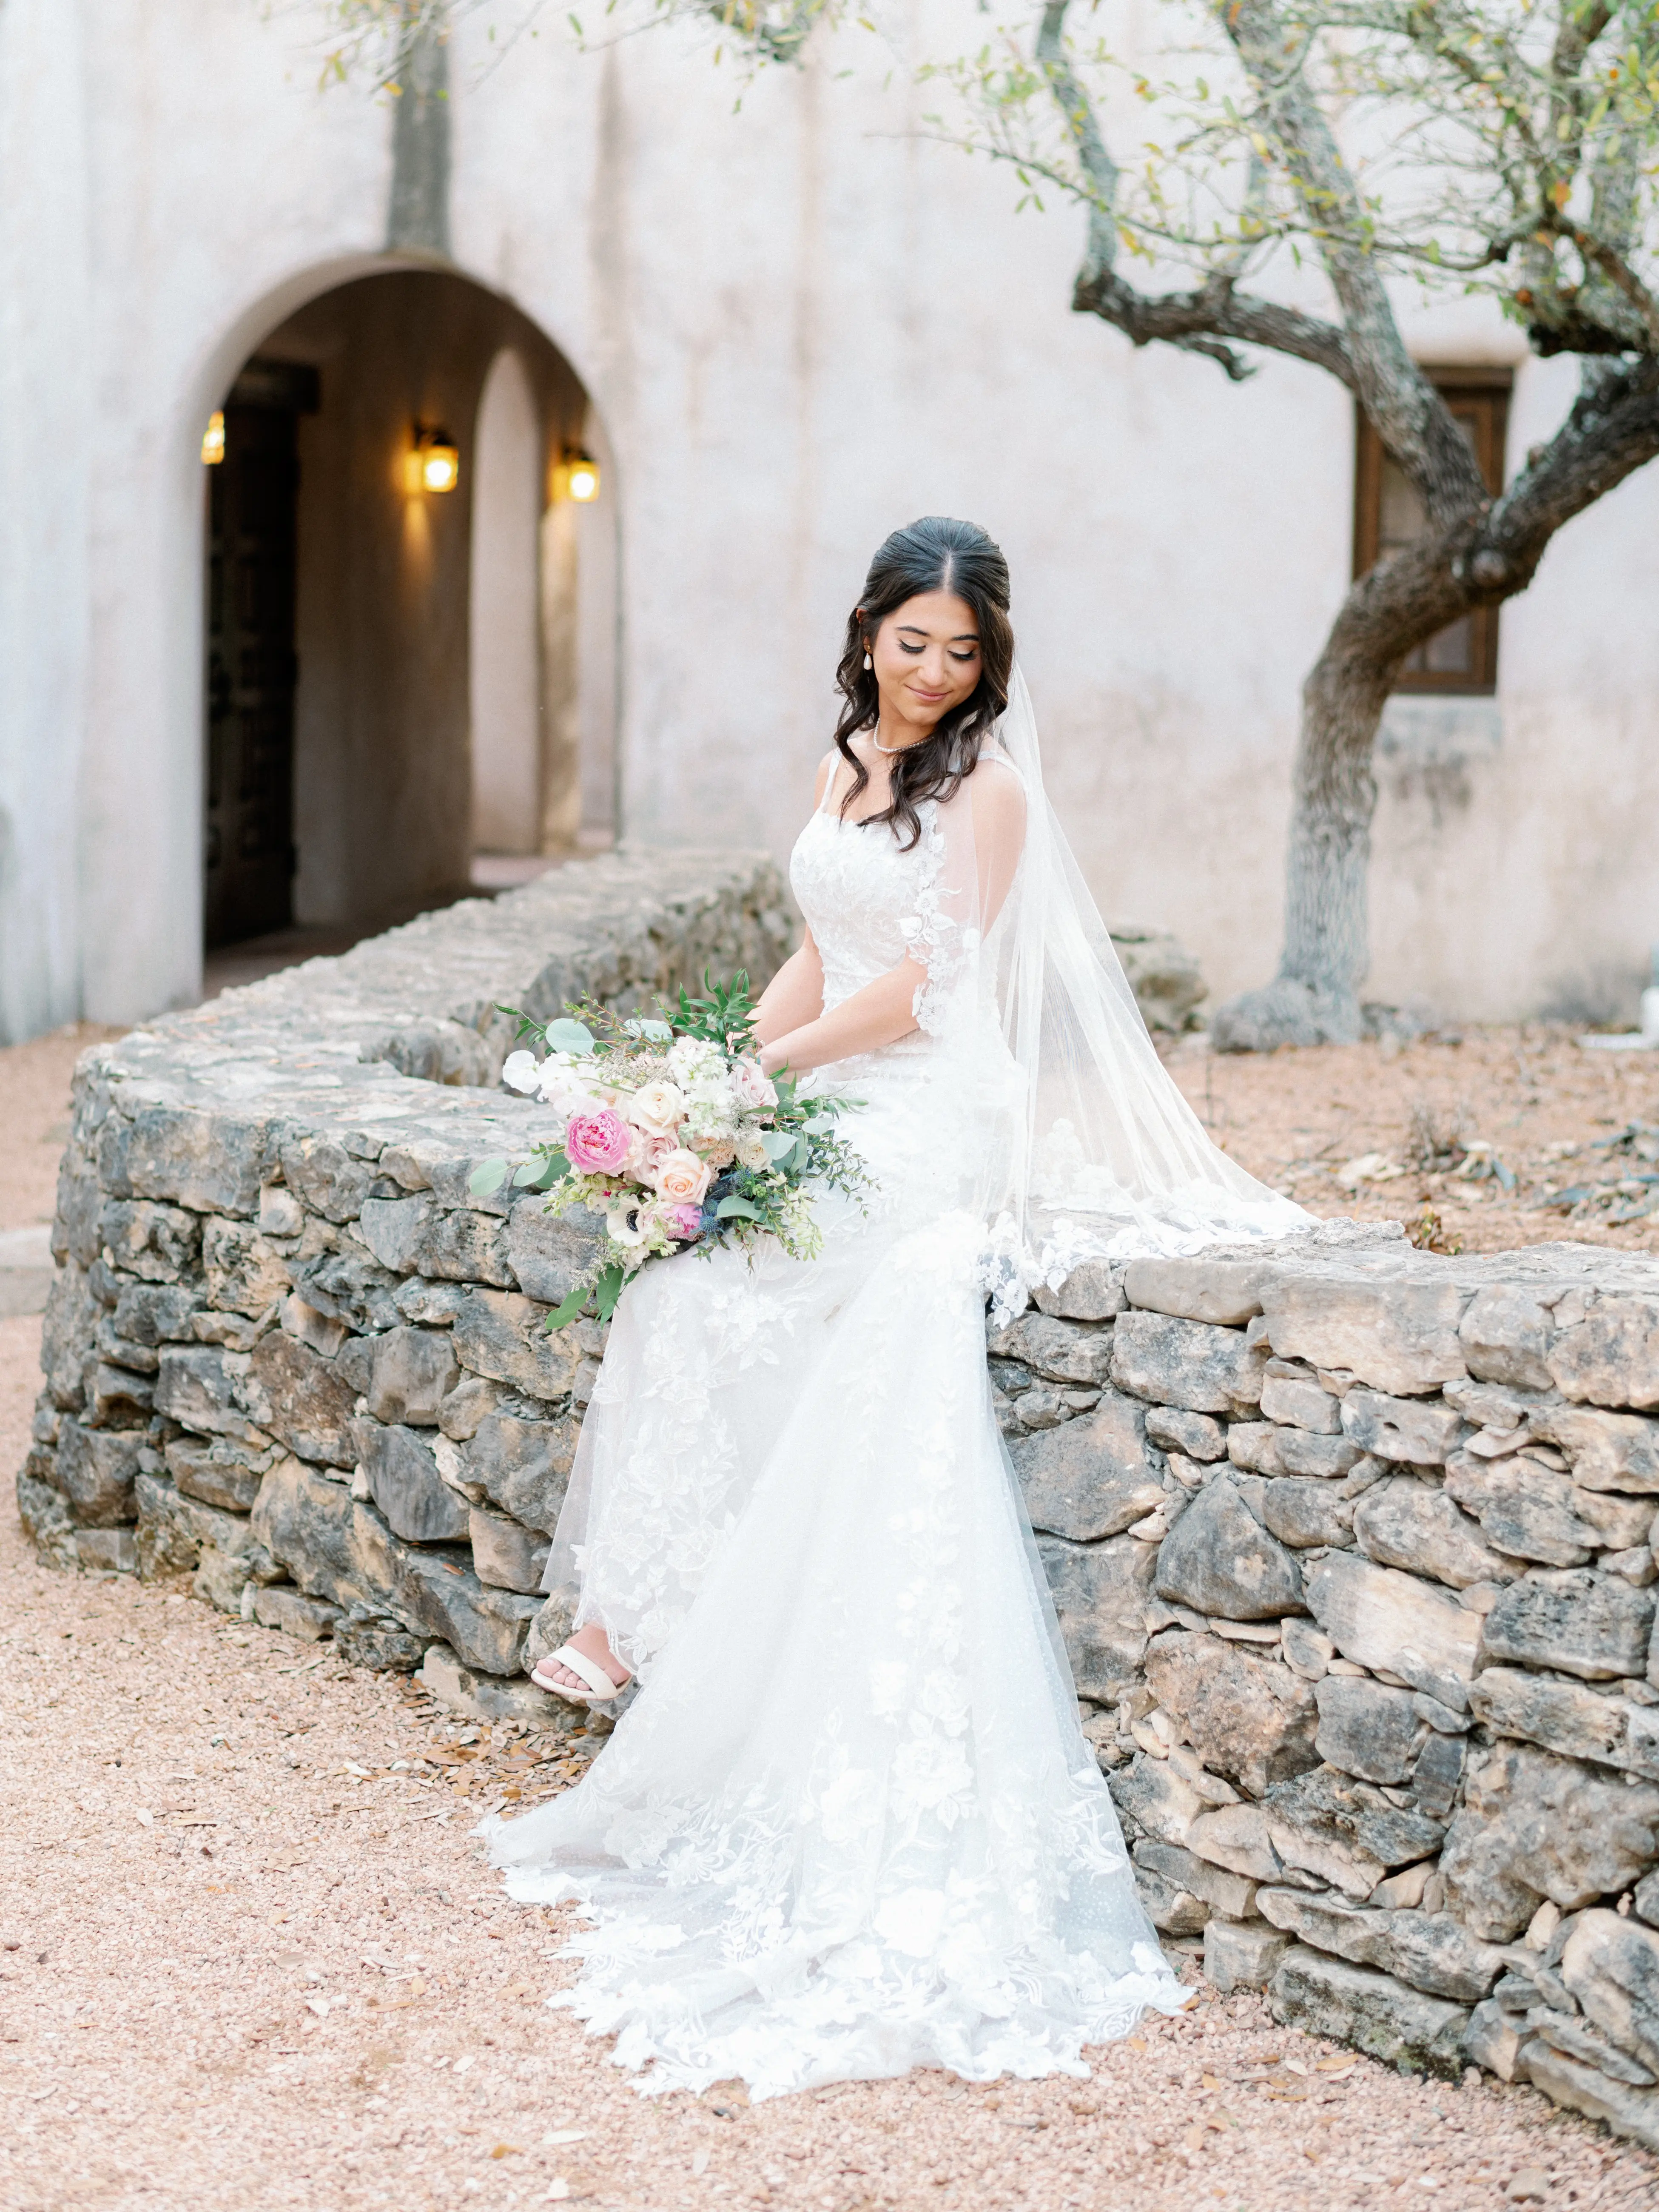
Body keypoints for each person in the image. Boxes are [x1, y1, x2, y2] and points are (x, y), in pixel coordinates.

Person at [482, 517, 1308, 2098]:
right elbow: (815, 949)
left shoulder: (987, 794)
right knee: (674, 1286)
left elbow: (920, 996)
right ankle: (625, 1624)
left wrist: (755, 1080)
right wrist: (704, 1071)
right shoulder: (843, 762)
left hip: (927, 1110)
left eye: (962, 652)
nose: (931, 673)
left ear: (990, 663)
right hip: (833, 1086)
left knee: (729, 1287)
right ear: (867, 632)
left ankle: (630, 1627)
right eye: (911, 642)